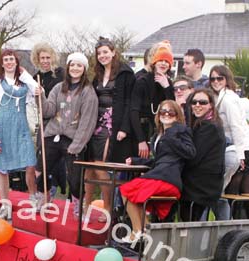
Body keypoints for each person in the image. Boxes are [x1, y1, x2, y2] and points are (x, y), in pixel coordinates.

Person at [121, 100, 195, 242]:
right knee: (128, 193)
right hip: (159, 174)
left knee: (126, 190)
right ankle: (144, 230)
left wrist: (171, 137)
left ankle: (139, 231)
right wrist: (137, 160)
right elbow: (158, 161)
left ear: (177, 115)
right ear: (158, 114)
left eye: (170, 112)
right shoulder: (157, 135)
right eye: (163, 111)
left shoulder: (180, 130)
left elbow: (191, 152)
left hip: (168, 179)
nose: (166, 114)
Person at [35, 52, 98, 217]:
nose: (75, 68)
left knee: (75, 176)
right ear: (68, 67)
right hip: (53, 134)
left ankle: (78, 206)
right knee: (41, 169)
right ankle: (43, 199)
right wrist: (40, 96)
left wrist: (77, 145)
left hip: (73, 139)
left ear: (84, 69)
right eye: (72, 65)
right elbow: (48, 111)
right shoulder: (58, 88)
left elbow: (88, 121)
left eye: (79, 65)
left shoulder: (88, 91)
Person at [85, 37, 136, 221]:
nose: (102, 56)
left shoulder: (125, 73)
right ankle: (87, 205)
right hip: (95, 122)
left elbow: (131, 101)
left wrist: (124, 127)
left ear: (113, 52)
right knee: (91, 166)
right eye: (99, 53)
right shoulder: (97, 74)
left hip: (114, 124)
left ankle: (108, 208)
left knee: (102, 165)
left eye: (106, 52)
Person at [0, 49, 40, 215]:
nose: (9, 62)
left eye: (12, 59)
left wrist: (26, 75)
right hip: (2, 127)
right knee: (2, 168)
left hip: (22, 126)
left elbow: (38, 90)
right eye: (6, 60)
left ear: (16, 62)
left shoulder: (24, 82)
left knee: (30, 162)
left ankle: (33, 198)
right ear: (2, 64)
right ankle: (5, 205)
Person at [209, 65, 249, 219]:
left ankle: (242, 223)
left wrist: (240, 154)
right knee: (229, 191)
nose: (216, 81)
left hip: (241, 148)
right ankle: (245, 222)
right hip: (242, 147)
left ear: (227, 79)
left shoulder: (228, 99)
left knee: (221, 191)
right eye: (212, 78)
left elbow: (236, 127)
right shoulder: (223, 97)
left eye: (220, 78)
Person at [179, 89, 225, 221]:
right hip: (197, 183)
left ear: (210, 105)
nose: (197, 105)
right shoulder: (201, 123)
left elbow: (193, 156)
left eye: (202, 102)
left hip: (200, 187)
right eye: (194, 102)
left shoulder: (209, 127)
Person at [30, 42, 65, 198]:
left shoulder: (61, 74)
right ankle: (44, 190)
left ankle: (55, 185)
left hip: (59, 120)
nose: (45, 61)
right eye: (41, 58)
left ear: (53, 58)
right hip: (43, 121)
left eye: (47, 57)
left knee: (55, 156)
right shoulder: (35, 78)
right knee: (41, 156)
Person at [130, 41, 175, 159]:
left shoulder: (168, 83)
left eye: (167, 61)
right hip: (141, 130)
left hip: (159, 131)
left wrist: (167, 88)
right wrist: (141, 140)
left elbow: (173, 109)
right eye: (161, 60)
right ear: (154, 62)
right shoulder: (142, 81)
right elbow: (134, 111)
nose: (163, 64)